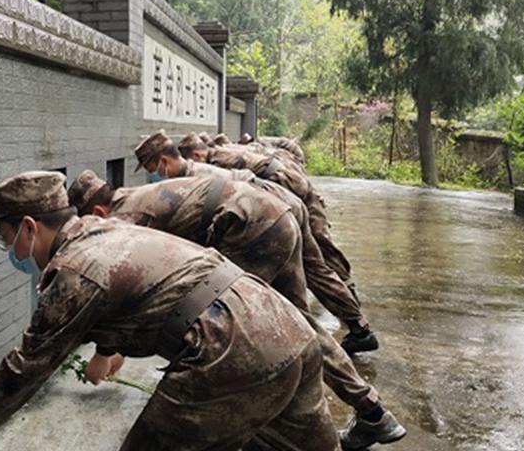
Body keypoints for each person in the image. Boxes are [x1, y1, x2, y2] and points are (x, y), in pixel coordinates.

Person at [0, 171, 417, 451]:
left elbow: (33, 360)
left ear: (30, 228)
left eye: (7, 239)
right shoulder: (106, 230)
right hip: (284, 331)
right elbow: (47, 351)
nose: (10, 251)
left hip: (233, 351)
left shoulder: (73, 271)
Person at [67, 169, 406, 450]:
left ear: (96, 213)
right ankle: (372, 412)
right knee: (299, 323)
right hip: (273, 214)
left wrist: (106, 350)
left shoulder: (125, 219)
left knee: (229, 326)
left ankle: (232, 431)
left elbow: (128, 287)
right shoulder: (133, 197)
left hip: (248, 227)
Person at [137, 131, 377, 356]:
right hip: (287, 204)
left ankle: (290, 349)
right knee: (315, 272)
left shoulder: (195, 180)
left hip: (276, 213)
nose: (154, 175)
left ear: (165, 161)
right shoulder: (201, 170)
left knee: (247, 291)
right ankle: (358, 328)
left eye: (152, 168)